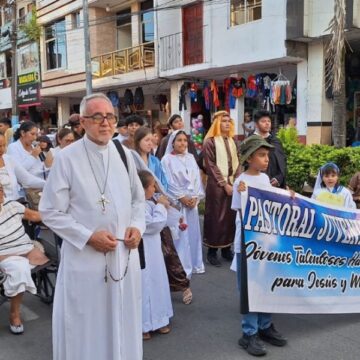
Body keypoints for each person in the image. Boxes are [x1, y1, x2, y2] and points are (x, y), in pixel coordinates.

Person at [39, 93, 146, 360]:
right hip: (86, 261)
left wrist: (136, 227)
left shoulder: (125, 154)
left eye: (110, 117)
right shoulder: (67, 158)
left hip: (123, 259)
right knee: (88, 329)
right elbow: (49, 211)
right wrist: (88, 237)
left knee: (124, 323)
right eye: (97, 117)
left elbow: (138, 199)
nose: (105, 123)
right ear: (83, 122)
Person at [232, 135, 287, 357]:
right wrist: (243, 192)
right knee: (249, 288)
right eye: (261, 155)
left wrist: (289, 197)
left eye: (267, 155)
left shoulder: (265, 180)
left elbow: (274, 204)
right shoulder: (240, 182)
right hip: (247, 244)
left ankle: (265, 326)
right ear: (249, 158)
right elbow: (239, 210)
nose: (266, 159)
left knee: (265, 284)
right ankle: (249, 333)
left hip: (266, 244)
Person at [131, 127, 192, 305]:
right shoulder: (131, 160)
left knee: (168, 250)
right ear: (138, 141)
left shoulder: (155, 162)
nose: (150, 144)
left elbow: (162, 183)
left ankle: (183, 285)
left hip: (158, 203)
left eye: (152, 140)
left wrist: (165, 201)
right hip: (140, 207)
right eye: (146, 140)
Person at [0, 184, 48, 334]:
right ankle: (14, 314)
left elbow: (35, 216)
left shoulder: (12, 206)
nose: (0, 194)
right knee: (20, 269)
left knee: (26, 266)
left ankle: (12, 280)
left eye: (0, 190)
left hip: (26, 248)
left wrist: (58, 215)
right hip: (4, 253)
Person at [161, 130, 205, 277]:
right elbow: (167, 181)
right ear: (172, 143)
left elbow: (197, 180)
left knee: (193, 234)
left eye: (185, 140)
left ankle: (195, 263)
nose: (182, 143)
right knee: (180, 236)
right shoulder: (166, 160)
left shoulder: (191, 157)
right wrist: (182, 197)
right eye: (179, 140)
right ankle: (180, 268)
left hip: (192, 203)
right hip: (178, 203)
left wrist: (195, 198)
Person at [138, 170, 173, 340]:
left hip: (154, 251)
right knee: (144, 284)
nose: (155, 189)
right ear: (143, 188)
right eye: (152, 186)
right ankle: (143, 324)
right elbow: (152, 225)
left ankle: (159, 319)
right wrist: (160, 206)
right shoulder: (137, 205)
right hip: (141, 249)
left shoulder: (149, 203)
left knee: (157, 281)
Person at [203, 111, 240, 266]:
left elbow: (238, 162)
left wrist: (236, 181)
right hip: (216, 187)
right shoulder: (209, 142)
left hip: (232, 184)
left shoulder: (232, 140)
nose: (227, 123)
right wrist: (224, 184)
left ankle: (226, 249)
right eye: (223, 121)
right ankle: (212, 251)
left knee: (230, 218)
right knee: (216, 218)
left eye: (228, 121)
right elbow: (210, 165)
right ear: (217, 123)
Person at [0, 134, 45, 201]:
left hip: (16, 204)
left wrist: (48, 183)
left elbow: (27, 179)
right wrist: (32, 157)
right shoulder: (13, 147)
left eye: (4, 145)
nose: (2, 149)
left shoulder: (8, 159)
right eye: (32, 134)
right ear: (23, 133)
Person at [253, 110, 287, 188]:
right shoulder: (251, 141)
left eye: (269, 121)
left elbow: (283, 162)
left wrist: (279, 178)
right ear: (256, 125)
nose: (267, 123)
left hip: (274, 184)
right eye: (263, 121)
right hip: (256, 183)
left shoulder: (276, 141)